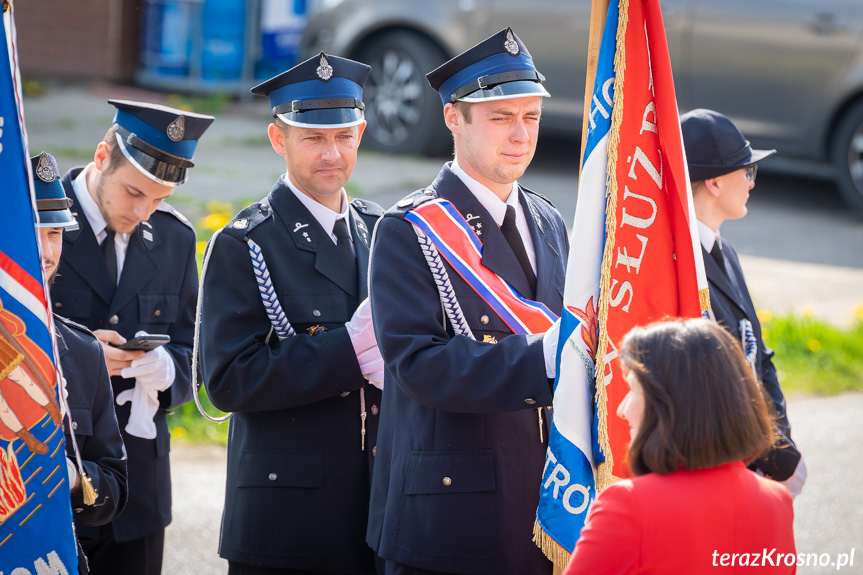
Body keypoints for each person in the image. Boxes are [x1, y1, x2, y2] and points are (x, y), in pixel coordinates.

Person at [366, 28, 567, 575]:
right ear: (454, 119)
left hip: (544, 507)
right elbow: (417, 366)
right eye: (501, 118)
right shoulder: (409, 229)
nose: (520, 135)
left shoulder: (548, 219)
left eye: (531, 117)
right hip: (451, 512)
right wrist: (546, 356)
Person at [199, 52, 384, 575]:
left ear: (361, 133)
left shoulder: (382, 231)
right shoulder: (247, 243)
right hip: (288, 516)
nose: (332, 153)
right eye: (313, 138)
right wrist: (348, 350)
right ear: (279, 139)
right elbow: (229, 381)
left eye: (344, 136)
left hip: (377, 508)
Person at [50, 101, 214, 575]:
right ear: (102, 157)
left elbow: (194, 352)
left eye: (159, 199)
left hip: (140, 484)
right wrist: (80, 361)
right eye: (133, 192)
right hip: (61, 471)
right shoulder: (44, 222)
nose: (143, 212)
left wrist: (168, 371)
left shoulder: (174, 238)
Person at [565, 318, 796, 574]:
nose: (622, 409)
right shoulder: (776, 500)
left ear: (670, 405)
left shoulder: (628, 504)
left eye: (632, 389)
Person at [681, 108, 805, 494]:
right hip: (718, 470)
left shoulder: (725, 252)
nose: (752, 182)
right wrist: (769, 461)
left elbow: (759, 357)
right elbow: (710, 389)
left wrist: (782, 449)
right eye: (747, 171)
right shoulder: (680, 265)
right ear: (715, 183)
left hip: (755, 460)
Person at [32, 151, 128, 575]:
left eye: (55, 234)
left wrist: (73, 477)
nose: (46, 250)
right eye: (30, 232)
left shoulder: (81, 351)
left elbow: (115, 486)